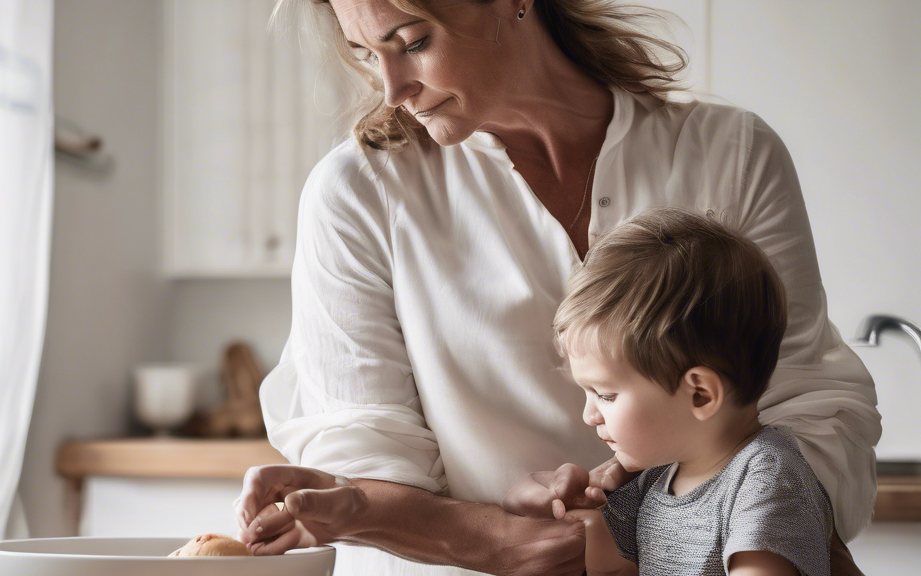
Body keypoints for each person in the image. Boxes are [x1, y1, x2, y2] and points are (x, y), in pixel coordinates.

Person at [234, 1, 880, 574]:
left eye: (413, 41)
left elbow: (804, 413)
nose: (392, 88)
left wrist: (719, 528)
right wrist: (487, 532)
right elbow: (372, 464)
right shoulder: (356, 193)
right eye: (366, 54)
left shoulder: (732, 155)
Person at [502, 207, 833, 576]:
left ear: (700, 395)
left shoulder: (766, 481)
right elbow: (610, 567)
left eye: (606, 395)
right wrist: (569, 513)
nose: (589, 415)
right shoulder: (659, 482)